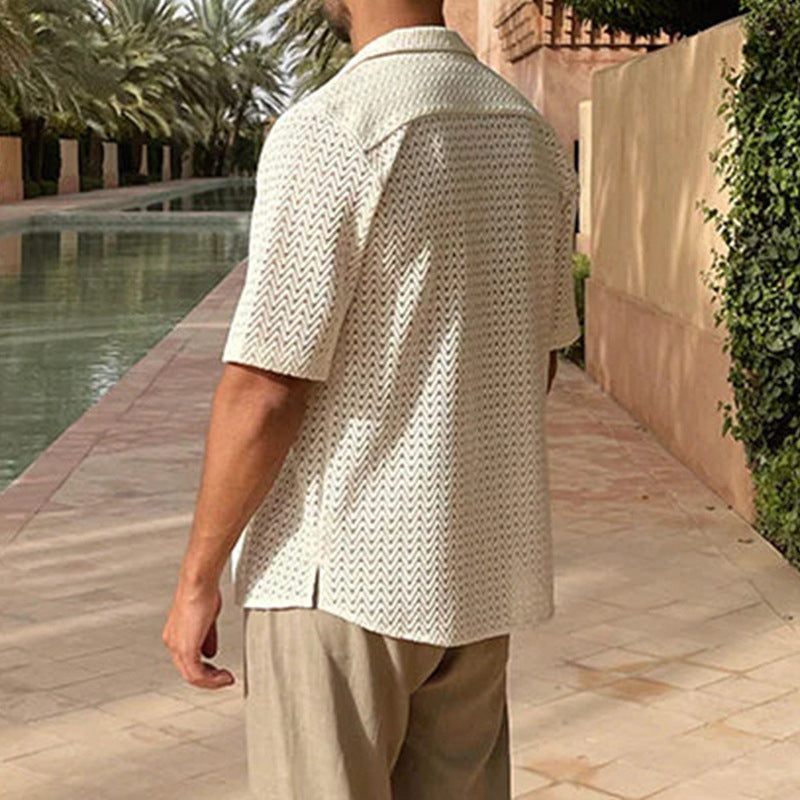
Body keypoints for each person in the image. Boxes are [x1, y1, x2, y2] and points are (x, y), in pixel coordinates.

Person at [162, 1, 581, 798]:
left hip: (339, 581)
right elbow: (539, 360)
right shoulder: (529, 138)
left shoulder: (334, 128)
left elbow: (267, 389)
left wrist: (197, 579)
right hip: (475, 575)